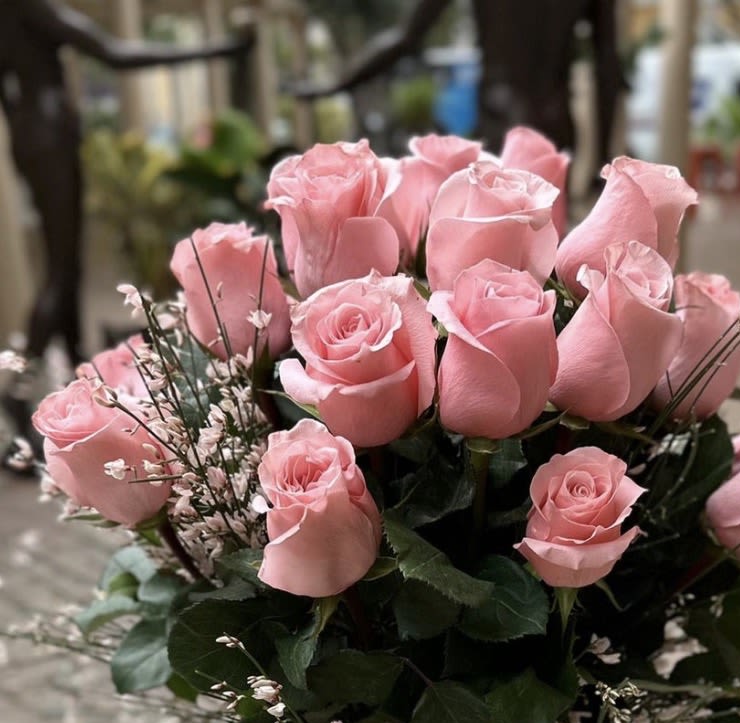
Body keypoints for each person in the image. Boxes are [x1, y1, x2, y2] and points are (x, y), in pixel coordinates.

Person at [0, 0, 252, 465]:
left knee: (69, 268)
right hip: (50, 131)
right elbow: (115, 53)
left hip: (28, 132)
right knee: (59, 271)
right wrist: (215, 50)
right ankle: (18, 390)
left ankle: (82, 386)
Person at [285, 0, 622, 169]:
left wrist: (337, 84)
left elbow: (405, 38)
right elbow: (607, 65)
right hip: (554, 125)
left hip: (498, 120)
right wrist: (603, 159)